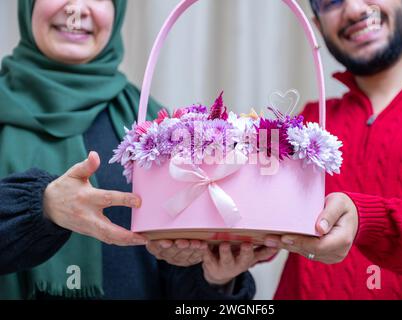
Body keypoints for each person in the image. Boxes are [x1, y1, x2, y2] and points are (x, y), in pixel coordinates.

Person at [0, 0, 277, 299]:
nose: (77, 9)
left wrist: (214, 279)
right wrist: (43, 205)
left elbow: (177, 277)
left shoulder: (153, 127)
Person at [264, 0, 402, 299]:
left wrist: (371, 222)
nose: (352, 9)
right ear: (317, 25)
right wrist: (227, 266)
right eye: (331, 2)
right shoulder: (309, 124)